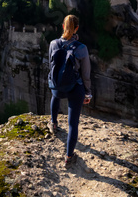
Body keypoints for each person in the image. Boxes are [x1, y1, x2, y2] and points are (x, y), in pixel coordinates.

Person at [48, 14, 92, 168]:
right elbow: (85, 74)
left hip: (57, 88)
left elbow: (51, 65)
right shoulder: (81, 48)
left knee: (55, 98)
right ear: (76, 29)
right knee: (73, 124)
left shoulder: (53, 43)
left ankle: (53, 123)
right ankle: (68, 157)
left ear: (62, 26)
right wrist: (87, 93)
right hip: (75, 88)